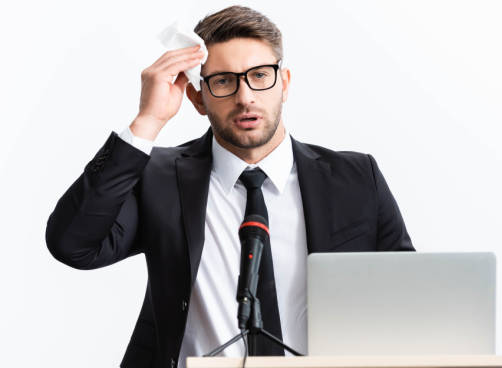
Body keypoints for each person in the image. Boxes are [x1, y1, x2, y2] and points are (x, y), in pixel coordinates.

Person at [45, 5, 414, 368]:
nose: (245, 97)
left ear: (283, 83)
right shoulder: (158, 177)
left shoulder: (355, 178)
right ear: (197, 98)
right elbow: (73, 245)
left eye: (259, 75)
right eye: (223, 81)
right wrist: (147, 121)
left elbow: (410, 297)